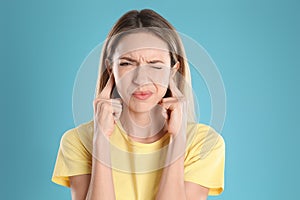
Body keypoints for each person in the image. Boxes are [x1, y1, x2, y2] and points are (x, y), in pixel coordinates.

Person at [51, 9, 225, 200]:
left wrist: (178, 140)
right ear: (111, 69)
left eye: (155, 65)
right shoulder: (77, 141)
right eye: (127, 63)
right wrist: (101, 139)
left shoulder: (204, 143)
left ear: (173, 70)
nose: (141, 79)